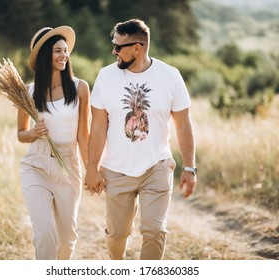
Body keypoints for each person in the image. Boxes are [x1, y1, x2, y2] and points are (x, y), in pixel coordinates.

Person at [85, 19, 196, 260]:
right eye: (113, 45)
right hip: (116, 168)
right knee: (117, 235)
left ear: (138, 47)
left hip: (156, 165)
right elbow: (98, 126)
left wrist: (189, 167)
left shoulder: (170, 76)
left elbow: (183, 124)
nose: (113, 51)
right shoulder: (106, 76)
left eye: (118, 47)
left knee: (155, 230)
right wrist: (91, 168)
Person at [18, 26, 90, 260]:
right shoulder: (28, 91)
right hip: (36, 164)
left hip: (68, 165)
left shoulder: (80, 88)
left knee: (67, 239)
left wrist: (91, 170)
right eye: (57, 51)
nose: (63, 56)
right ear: (44, 55)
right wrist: (34, 133)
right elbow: (21, 134)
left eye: (65, 51)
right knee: (45, 233)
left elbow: (84, 134)